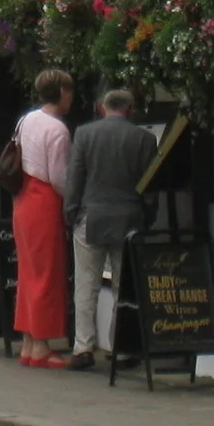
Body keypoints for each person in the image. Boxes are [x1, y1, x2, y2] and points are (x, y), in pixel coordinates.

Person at [65, 88, 156, 369]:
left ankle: (83, 348)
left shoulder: (84, 134)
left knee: (86, 285)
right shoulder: (145, 139)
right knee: (123, 288)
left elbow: (74, 179)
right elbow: (149, 187)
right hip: (128, 218)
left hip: (90, 217)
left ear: (102, 107)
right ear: (130, 110)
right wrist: (147, 218)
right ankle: (121, 348)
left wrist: (71, 214)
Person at [11, 67, 75, 368]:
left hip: (22, 199)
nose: (72, 97)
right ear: (62, 92)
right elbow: (59, 177)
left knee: (28, 272)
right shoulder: (58, 129)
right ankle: (41, 345)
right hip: (44, 201)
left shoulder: (27, 119)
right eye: (70, 91)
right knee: (48, 273)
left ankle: (27, 341)